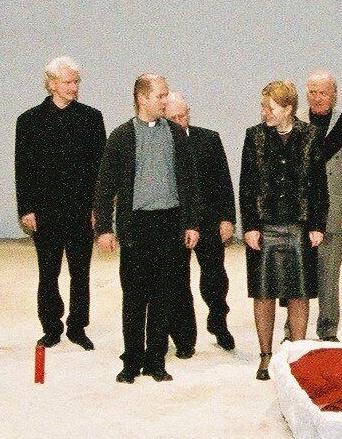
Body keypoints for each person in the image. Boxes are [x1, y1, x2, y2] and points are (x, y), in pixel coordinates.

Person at [94, 74, 200, 383]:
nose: (166, 101)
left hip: (170, 224)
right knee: (134, 297)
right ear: (142, 98)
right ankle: (131, 361)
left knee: (164, 296)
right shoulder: (122, 136)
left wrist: (191, 223)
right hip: (136, 226)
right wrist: (104, 228)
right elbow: (105, 186)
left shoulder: (177, 135)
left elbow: (189, 183)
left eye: (166, 95)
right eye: (160, 96)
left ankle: (156, 361)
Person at [15, 56, 107, 350]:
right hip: (45, 211)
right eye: (67, 82)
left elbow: (100, 169)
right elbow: (23, 169)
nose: (73, 87)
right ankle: (51, 327)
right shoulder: (29, 120)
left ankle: (78, 327)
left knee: (81, 273)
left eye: (76, 82)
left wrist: (99, 209)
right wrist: (26, 209)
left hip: (81, 210)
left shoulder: (92, 118)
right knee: (48, 273)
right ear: (51, 84)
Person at [240, 81, 329, 381]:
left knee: (299, 295)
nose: (264, 112)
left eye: (270, 107)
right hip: (264, 227)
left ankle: (297, 356)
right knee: (263, 294)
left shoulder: (311, 136)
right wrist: (250, 226)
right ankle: (266, 356)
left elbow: (319, 185)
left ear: (288, 108)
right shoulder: (254, 136)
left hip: (299, 226)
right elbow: (246, 186)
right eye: (263, 106)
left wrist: (317, 224)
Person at [163, 92, 236, 357]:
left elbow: (224, 181)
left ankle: (218, 321)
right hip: (175, 222)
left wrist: (228, 218)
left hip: (208, 220)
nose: (180, 122)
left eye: (183, 116)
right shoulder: (160, 144)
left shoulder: (209, 139)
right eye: (173, 118)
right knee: (177, 281)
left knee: (215, 278)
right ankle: (184, 338)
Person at [306, 71, 342, 341]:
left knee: (329, 276)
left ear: (334, 94)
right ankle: (292, 330)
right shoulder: (296, 122)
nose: (317, 98)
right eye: (312, 92)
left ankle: (328, 329)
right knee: (297, 275)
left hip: (335, 212)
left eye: (323, 93)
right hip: (301, 213)